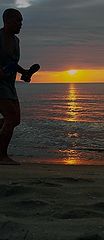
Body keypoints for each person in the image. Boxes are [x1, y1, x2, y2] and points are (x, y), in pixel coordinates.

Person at [0, 8, 38, 165]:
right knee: (11, 117)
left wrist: (25, 73)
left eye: (21, 21)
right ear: (7, 20)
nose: (20, 24)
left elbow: (12, 64)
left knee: (15, 120)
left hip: (9, 84)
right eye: (18, 21)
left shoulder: (16, 41)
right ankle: (1, 156)